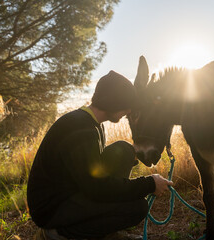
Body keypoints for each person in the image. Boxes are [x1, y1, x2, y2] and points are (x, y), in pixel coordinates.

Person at [27, 70, 173, 240]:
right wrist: (149, 184)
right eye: (127, 105)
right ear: (115, 102)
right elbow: (96, 187)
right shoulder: (80, 128)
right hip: (53, 209)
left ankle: (98, 229)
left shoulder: (92, 124)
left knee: (125, 150)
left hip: (72, 191)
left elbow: (94, 174)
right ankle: (59, 233)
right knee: (137, 208)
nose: (129, 111)